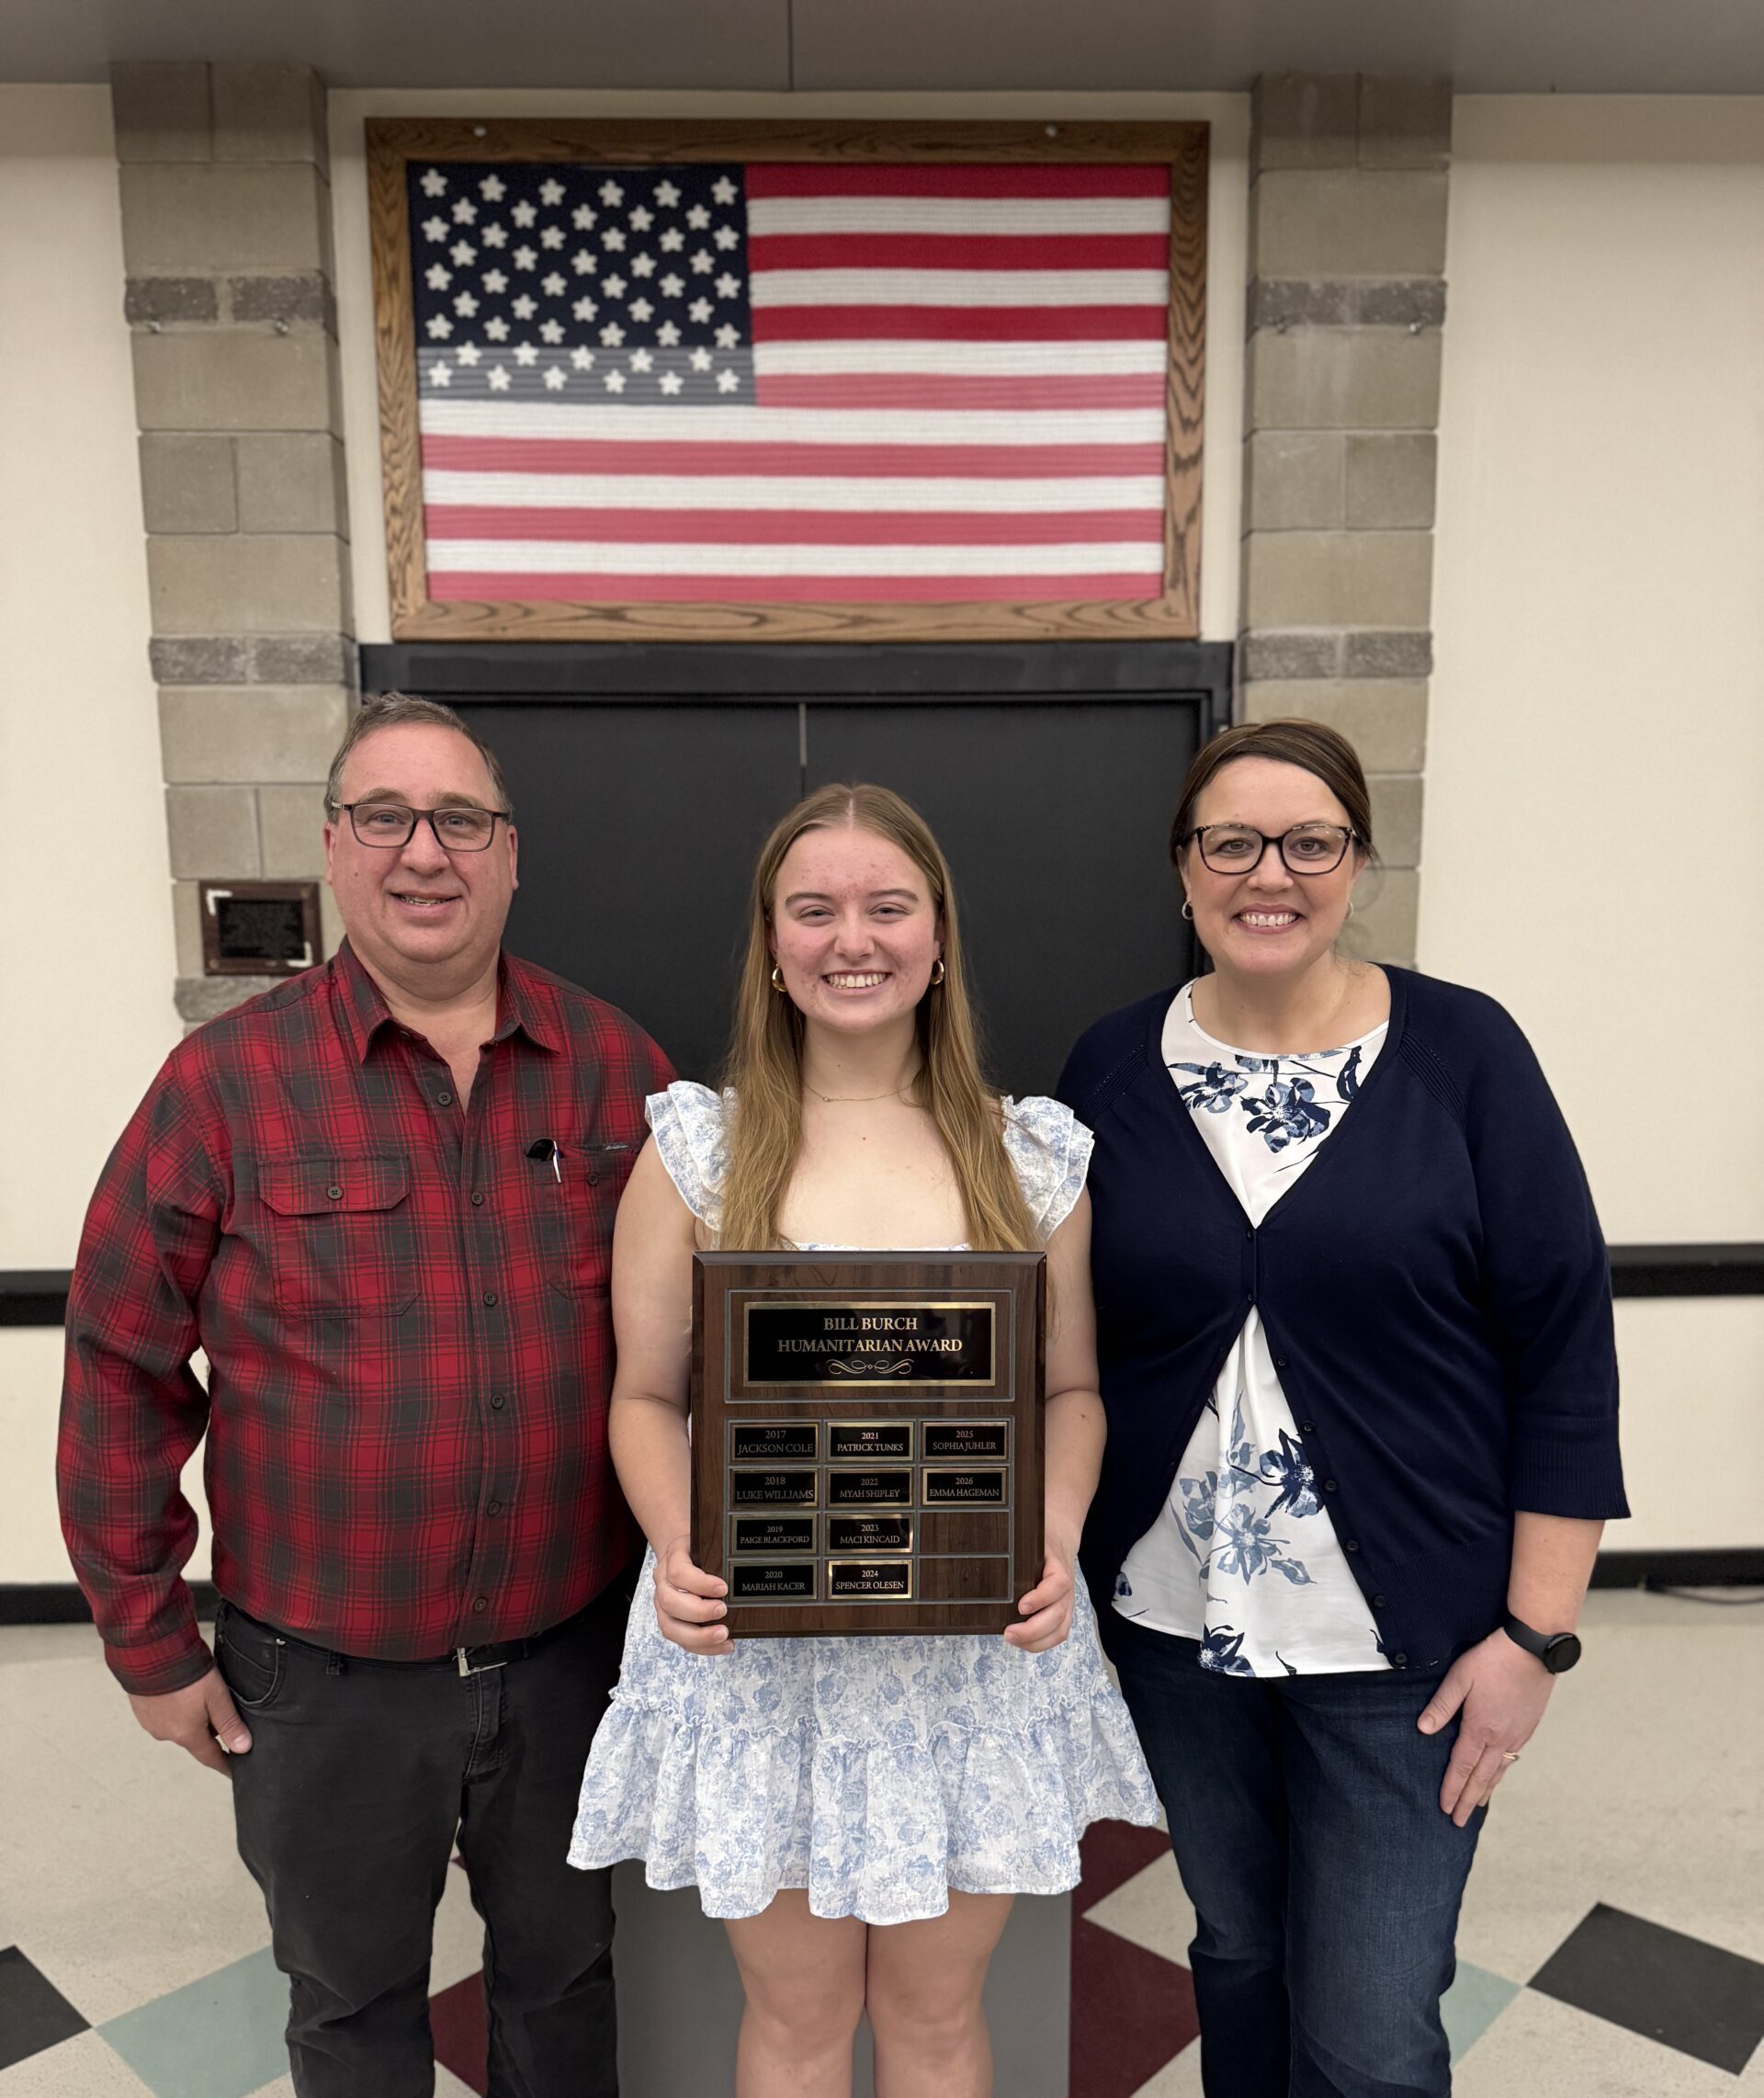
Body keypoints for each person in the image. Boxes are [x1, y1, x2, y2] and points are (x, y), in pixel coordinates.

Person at [58, 693, 671, 2097]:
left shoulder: (619, 1071)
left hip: (570, 1658)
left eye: (460, 819)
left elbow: (687, 1353)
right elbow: (118, 1362)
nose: (424, 852)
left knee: (565, 1984)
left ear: (511, 853)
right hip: (322, 1680)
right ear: (335, 847)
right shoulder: (225, 1083)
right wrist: (150, 1643)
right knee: (350, 2006)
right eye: (385, 818)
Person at [1059, 718, 1627, 2098]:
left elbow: (1565, 1355)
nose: (1272, 873)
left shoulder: (1465, 1054)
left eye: (1310, 842)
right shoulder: (1107, 1070)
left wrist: (1534, 1638)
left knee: (1371, 2029)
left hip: (1411, 1652)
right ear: (1183, 867)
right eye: (1232, 842)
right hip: (1174, 1630)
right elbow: (1062, 1349)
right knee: (1241, 1953)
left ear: (1357, 863)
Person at [568, 782, 1156, 2098]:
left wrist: (1054, 1534)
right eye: (814, 910)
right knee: (795, 2021)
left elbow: (1072, 1390)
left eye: (888, 908)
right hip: (761, 1653)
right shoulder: (699, 1150)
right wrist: (680, 1547)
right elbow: (644, 1397)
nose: (853, 940)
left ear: (938, 940)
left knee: (938, 2019)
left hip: (974, 1652)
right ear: (771, 946)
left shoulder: (1030, 1156)